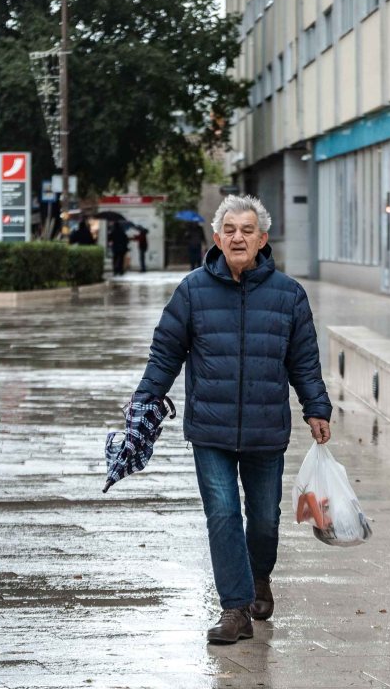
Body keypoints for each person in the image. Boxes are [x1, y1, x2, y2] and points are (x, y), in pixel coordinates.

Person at [136, 194, 331, 644]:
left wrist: (316, 407)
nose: (238, 237)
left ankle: (258, 576)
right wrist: (146, 399)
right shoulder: (192, 290)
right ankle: (235, 609)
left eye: (247, 230)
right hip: (209, 427)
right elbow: (166, 351)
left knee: (263, 520)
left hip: (266, 428)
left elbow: (303, 359)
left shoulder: (289, 294)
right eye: (230, 230)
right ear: (217, 237)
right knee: (223, 514)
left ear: (262, 240)